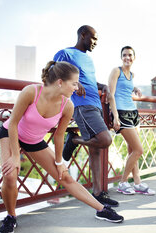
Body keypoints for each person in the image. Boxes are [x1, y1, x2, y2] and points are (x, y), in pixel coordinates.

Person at [0, 61, 123, 233]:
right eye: (74, 83)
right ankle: (11, 216)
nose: (77, 87)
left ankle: (102, 209)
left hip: (34, 141)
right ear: (60, 82)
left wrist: (59, 162)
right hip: (11, 134)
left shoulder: (68, 105)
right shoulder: (31, 92)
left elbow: (58, 135)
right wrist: (15, 156)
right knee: (10, 175)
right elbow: (13, 124)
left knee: (65, 177)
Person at [53, 25, 119, 207]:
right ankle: (73, 140)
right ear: (83, 35)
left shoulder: (89, 60)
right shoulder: (65, 53)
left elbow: (89, 81)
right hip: (82, 105)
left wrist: (102, 86)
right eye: (94, 39)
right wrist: (74, 82)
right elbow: (54, 72)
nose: (96, 43)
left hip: (95, 104)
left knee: (96, 150)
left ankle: (98, 193)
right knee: (105, 140)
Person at [108, 46, 155, 195]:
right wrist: (115, 116)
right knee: (138, 150)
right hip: (121, 113)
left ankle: (137, 183)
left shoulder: (131, 74)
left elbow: (125, 85)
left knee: (132, 149)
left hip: (133, 113)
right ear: (121, 57)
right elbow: (111, 94)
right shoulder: (116, 71)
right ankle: (122, 183)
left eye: (130, 55)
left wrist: (134, 88)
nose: (127, 57)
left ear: (134, 57)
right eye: (124, 55)